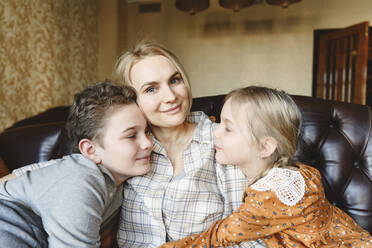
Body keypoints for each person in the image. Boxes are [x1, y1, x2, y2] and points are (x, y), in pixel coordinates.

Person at [159, 86, 372, 248]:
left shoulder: (270, 195)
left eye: (228, 128)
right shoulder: (299, 172)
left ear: (265, 147)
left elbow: (220, 236)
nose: (215, 132)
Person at [112, 41, 266, 248]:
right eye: (151, 89)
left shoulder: (222, 140)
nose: (171, 96)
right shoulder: (124, 147)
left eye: (175, 80)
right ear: (133, 100)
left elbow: (249, 233)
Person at [0, 81, 153, 247]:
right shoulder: (81, 180)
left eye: (146, 131)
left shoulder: (116, 182)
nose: (148, 143)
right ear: (90, 150)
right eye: (131, 136)